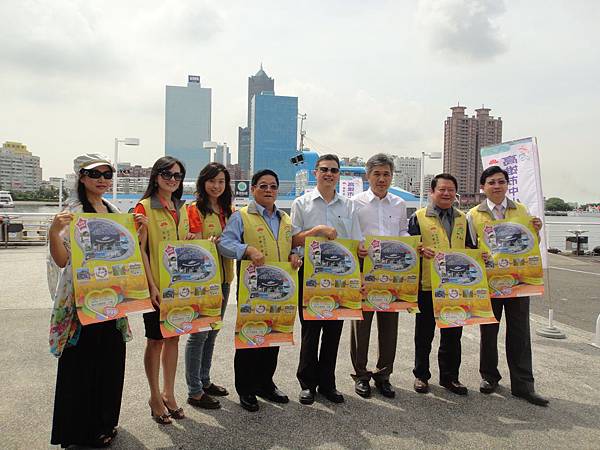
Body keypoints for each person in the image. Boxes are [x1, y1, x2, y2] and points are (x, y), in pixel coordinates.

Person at [49, 153, 142, 448]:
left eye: (107, 174)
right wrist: (53, 231)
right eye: (95, 174)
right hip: (81, 302)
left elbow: (126, 253)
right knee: (80, 366)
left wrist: (136, 231)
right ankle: (76, 431)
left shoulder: (114, 210)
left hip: (112, 300)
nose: (102, 180)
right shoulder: (73, 212)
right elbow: (62, 259)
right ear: (82, 177)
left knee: (110, 363)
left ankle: (104, 424)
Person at [219, 169, 302, 412]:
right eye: (263, 185)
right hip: (252, 289)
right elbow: (225, 243)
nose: (268, 190)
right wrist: (247, 250)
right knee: (250, 338)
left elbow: (293, 246)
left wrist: (295, 255)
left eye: (273, 186)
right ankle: (246, 389)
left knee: (273, 337)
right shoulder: (241, 216)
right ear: (253, 188)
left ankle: (266, 383)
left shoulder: (285, 219)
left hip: (279, 290)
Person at [467, 165, 548, 406]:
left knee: (520, 332)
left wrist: (537, 232)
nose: (496, 186)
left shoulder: (521, 210)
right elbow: (469, 247)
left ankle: (523, 384)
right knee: (489, 330)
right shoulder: (473, 215)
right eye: (491, 182)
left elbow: (530, 242)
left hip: (518, 282)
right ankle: (489, 376)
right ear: (483, 187)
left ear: (507, 185)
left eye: (501, 181)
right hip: (489, 282)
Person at [291, 154, 364, 405]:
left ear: (339, 174)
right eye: (324, 169)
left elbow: (355, 244)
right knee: (311, 331)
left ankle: (327, 383)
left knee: (333, 332)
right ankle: (307, 383)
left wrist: (360, 273)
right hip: (310, 276)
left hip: (340, 279)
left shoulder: (349, 205)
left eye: (334, 170)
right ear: (315, 173)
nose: (329, 174)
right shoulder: (301, 203)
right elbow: (293, 240)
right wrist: (318, 231)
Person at [135, 156, 193, 425]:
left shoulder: (181, 207)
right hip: (157, 287)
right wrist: (151, 286)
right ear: (155, 176)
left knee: (174, 339)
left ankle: (170, 393)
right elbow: (140, 251)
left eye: (177, 176)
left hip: (179, 288)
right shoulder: (144, 207)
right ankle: (154, 396)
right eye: (167, 174)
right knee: (155, 340)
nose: (172, 180)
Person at [409, 173, 476, 396]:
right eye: (442, 190)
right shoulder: (418, 217)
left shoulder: (462, 218)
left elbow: (470, 247)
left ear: (455, 193)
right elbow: (409, 248)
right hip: (427, 285)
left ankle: (450, 377)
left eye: (451, 190)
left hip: (455, 286)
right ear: (432, 192)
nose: (446, 193)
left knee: (453, 334)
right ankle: (421, 375)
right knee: (424, 333)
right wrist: (418, 251)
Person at [350, 153, 408, 399]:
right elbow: (350, 234)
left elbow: (404, 231)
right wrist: (357, 247)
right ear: (368, 176)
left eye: (386, 174)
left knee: (389, 326)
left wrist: (407, 245)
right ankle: (361, 375)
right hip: (365, 268)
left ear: (392, 176)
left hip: (391, 271)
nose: (382, 179)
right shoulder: (355, 203)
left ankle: (384, 375)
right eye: (377, 174)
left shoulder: (399, 203)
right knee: (361, 326)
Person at [184, 163, 234, 410]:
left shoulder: (228, 210)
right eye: (212, 181)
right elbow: (190, 241)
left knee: (213, 331)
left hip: (225, 279)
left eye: (221, 181)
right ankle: (194, 390)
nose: (217, 186)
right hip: (203, 282)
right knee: (199, 335)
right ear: (203, 182)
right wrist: (205, 242)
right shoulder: (194, 210)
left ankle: (204, 380)